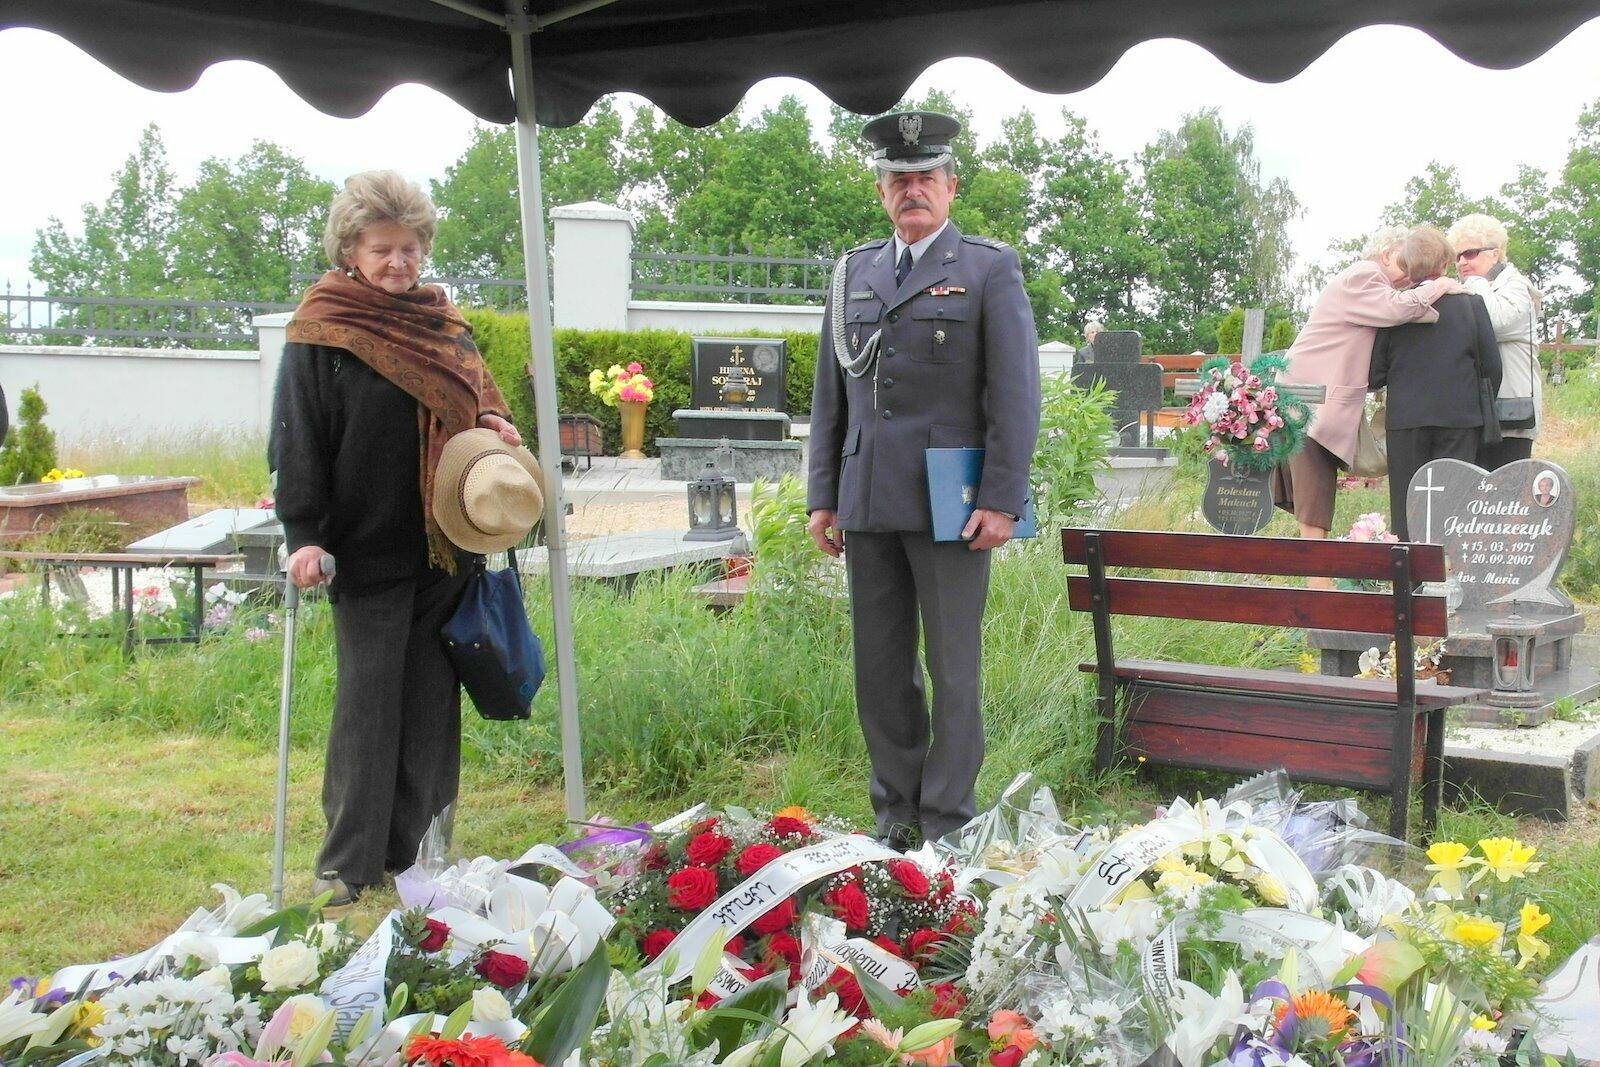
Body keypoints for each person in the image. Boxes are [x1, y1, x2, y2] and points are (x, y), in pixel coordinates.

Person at [270, 170, 538, 906]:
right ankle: (347, 864)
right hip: (361, 549)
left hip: (446, 545)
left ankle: (416, 854)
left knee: (428, 708)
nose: (399, 262)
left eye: (410, 248)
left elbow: (478, 401)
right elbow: (298, 437)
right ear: (350, 251)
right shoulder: (321, 329)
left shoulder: (443, 325)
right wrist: (303, 532)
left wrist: (493, 423)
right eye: (382, 249)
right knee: (368, 705)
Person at [806, 111, 1040, 848]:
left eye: (926, 178)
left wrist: (1001, 499)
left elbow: (1015, 393)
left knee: (952, 669)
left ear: (951, 187)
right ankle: (896, 814)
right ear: (881, 191)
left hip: (953, 504)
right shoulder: (854, 274)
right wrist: (822, 497)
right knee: (880, 670)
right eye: (899, 179)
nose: (913, 190)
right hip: (870, 498)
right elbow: (830, 396)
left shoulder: (987, 268)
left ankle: (946, 821)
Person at [1272, 226, 1464, 551]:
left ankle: (1317, 574)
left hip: (1313, 398)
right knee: (1313, 495)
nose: (1412, 270)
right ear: (1387, 254)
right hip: (1308, 399)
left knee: (1315, 495)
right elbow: (1398, 309)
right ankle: (1318, 577)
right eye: (1406, 260)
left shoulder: (1374, 285)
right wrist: (1441, 285)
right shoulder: (1365, 274)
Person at [1367, 226, 1501, 541]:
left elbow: (1375, 374)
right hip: (1460, 419)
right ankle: (1449, 568)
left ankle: (1406, 568)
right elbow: (1492, 367)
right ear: (1444, 262)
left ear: (1407, 265)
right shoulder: (1472, 305)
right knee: (1455, 503)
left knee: (1407, 506)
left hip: (1407, 421)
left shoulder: (1396, 307)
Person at [1448, 213, 1543, 470]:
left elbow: (1495, 322)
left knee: (1507, 489)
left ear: (1495, 253)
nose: (1461, 262)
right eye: (1457, 256)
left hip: (1511, 413)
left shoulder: (1517, 287)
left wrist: (1474, 282)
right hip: (1475, 413)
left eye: (1470, 253)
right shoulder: (1471, 289)